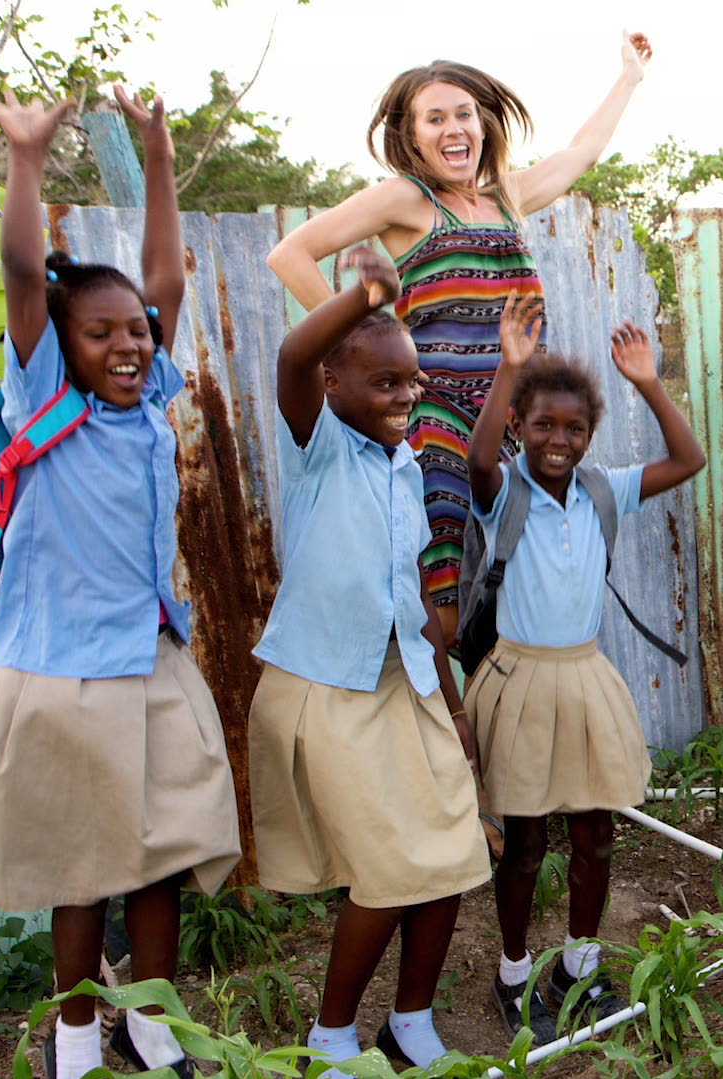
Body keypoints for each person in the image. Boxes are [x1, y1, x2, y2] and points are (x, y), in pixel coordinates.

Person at [0, 87, 240, 1079]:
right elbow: (23, 270)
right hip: (61, 675)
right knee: (83, 876)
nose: (130, 345)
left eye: (137, 333)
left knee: (163, 862)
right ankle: (72, 1045)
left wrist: (155, 150)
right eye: (102, 335)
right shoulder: (41, 404)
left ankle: (150, 1027)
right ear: (59, 349)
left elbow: (161, 278)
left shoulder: (147, 405)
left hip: (148, 659)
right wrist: (23, 158)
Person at [267, 34, 653, 644]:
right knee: (445, 563)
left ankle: (501, 705)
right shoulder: (406, 199)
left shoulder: (508, 196)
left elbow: (582, 152)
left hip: (514, 415)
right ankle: (450, 722)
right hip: (441, 413)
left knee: (515, 566)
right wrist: (373, 339)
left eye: (464, 114)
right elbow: (291, 255)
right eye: (435, 118)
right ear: (413, 135)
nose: (454, 129)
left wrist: (629, 78)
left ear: (484, 124)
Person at [247, 244, 489, 1072]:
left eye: (411, 381)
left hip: (407, 685)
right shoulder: (319, 450)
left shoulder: (405, 465)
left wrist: (454, 710)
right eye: (385, 384)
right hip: (330, 685)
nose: (405, 396)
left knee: (453, 851)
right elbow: (291, 354)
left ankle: (411, 1021)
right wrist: (367, 295)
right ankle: (331, 1035)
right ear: (334, 387)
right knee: (388, 868)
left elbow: (417, 602)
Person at [465, 295, 705, 1039]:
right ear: (520, 428)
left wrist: (648, 382)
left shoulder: (604, 489)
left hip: (585, 675)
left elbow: (689, 459)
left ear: (590, 433)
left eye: (573, 428)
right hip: (520, 677)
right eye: (543, 425)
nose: (559, 440)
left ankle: (579, 960)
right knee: (528, 839)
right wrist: (510, 367)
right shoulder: (504, 491)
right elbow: (476, 459)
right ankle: (512, 974)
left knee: (596, 830)